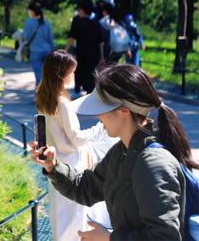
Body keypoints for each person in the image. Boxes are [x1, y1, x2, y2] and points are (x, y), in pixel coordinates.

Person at [30, 64, 190, 240]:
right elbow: (86, 187)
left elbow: (165, 237)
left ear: (123, 111)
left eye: (100, 110)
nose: (97, 116)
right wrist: (53, 166)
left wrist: (109, 238)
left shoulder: (153, 164)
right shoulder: (122, 151)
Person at [35, 50, 115, 240]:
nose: (73, 75)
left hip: (54, 162)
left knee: (59, 213)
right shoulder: (62, 102)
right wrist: (98, 128)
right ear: (61, 73)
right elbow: (76, 138)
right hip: (72, 162)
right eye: (71, 72)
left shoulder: (42, 96)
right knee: (74, 214)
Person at [66, 0, 104, 94]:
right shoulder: (78, 20)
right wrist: (65, 50)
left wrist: (102, 56)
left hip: (91, 54)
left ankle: (87, 93)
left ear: (85, 10)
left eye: (80, 9)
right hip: (83, 53)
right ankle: (79, 89)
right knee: (80, 72)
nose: (78, 11)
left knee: (89, 77)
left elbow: (100, 41)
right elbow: (72, 36)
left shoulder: (95, 21)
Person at [22, 2, 54, 86]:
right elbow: (50, 38)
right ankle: (48, 91)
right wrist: (53, 49)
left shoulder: (28, 22)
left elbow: (26, 37)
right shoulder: (46, 22)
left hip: (35, 51)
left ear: (32, 11)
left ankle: (39, 92)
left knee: (38, 74)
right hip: (47, 51)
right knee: (47, 74)